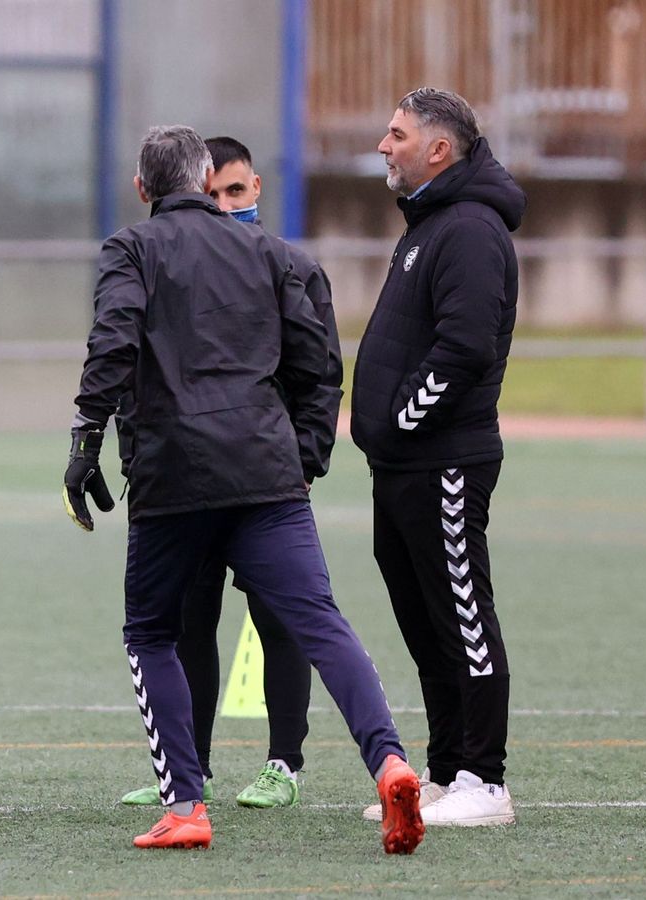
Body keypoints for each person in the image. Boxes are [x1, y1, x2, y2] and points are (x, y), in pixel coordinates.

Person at [63, 125, 423, 853]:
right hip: (266, 473)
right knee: (321, 623)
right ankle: (388, 760)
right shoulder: (271, 254)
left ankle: (187, 806)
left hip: (172, 476)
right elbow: (315, 364)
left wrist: (85, 440)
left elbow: (114, 339)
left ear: (143, 189)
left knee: (151, 634)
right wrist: (300, 456)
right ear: (205, 181)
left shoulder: (131, 249)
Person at [115, 136, 340, 811]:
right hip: (182, 479)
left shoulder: (287, 267)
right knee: (188, 623)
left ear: (256, 190)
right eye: (214, 193)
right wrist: (136, 456)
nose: (222, 205)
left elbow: (319, 376)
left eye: (235, 193)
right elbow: (134, 368)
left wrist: (302, 462)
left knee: (280, 618)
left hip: (265, 479)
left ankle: (284, 762)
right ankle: (194, 770)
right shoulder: (163, 265)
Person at [353, 88, 524, 827]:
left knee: (462, 616)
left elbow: (464, 349)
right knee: (425, 622)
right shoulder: (428, 223)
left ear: (439, 149)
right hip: (402, 467)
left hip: (444, 461)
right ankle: (449, 766)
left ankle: (486, 780)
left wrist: (400, 424)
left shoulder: (471, 230)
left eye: (396, 134)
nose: (384, 146)